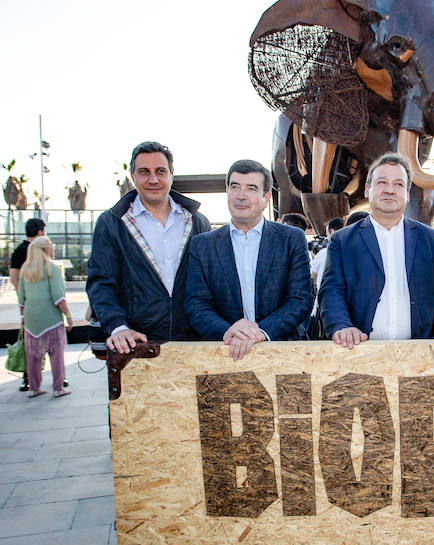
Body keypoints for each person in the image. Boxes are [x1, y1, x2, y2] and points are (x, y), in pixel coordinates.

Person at [319, 152, 434, 349]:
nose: (390, 190)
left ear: (408, 194)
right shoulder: (343, 241)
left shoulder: (431, 239)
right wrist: (342, 326)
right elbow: (332, 291)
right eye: (382, 182)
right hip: (358, 352)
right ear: (367, 190)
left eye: (399, 184)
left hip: (421, 358)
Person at [87, 141, 211, 354]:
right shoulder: (112, 222)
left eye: (160, 171)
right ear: (133, 176)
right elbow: (101, 281)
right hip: (136, 344)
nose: (153, 179)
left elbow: (211, 283)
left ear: (171, 174)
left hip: (193, 342)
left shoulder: (197, 222)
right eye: (144, 172)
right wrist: (117, 326)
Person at [185, 160, 314, 360]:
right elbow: (196, 304)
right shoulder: (202, 245)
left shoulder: (291, 239)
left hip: (285, 353)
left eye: (251, 188)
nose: (241, 195)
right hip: (226, 353)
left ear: (266, 198)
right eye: (234, 187)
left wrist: (261, 332)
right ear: (227, 192)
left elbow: (300, 299)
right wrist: (228, 330)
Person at [17, 237, 73, 397]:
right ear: (46, 249)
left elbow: (21, 298)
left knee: (33, 355)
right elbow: (58, 298)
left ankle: (34, 388)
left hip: (30, 318)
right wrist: (68, 316)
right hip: (51, 319)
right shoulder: (52, 268)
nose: (53, 249)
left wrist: (23, 316)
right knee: (56, 353)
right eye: (52, 246)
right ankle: (58, 387)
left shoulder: (25, 269)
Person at [9, 217, 45, 391]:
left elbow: (14, 277)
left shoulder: (18, 251)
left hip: (29, 305)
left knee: (30, 343)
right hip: (46, 306)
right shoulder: (41, 250)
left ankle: (28, 378)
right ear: (40, 232)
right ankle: (59, 379)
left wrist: (22, 298)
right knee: (52, 343)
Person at [310, 217, 345, 287]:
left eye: (327, 234)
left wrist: (315, 259)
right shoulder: (354, 252)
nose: (326, 238)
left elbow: (312, 278)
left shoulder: (324, 253)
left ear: (332, 232)